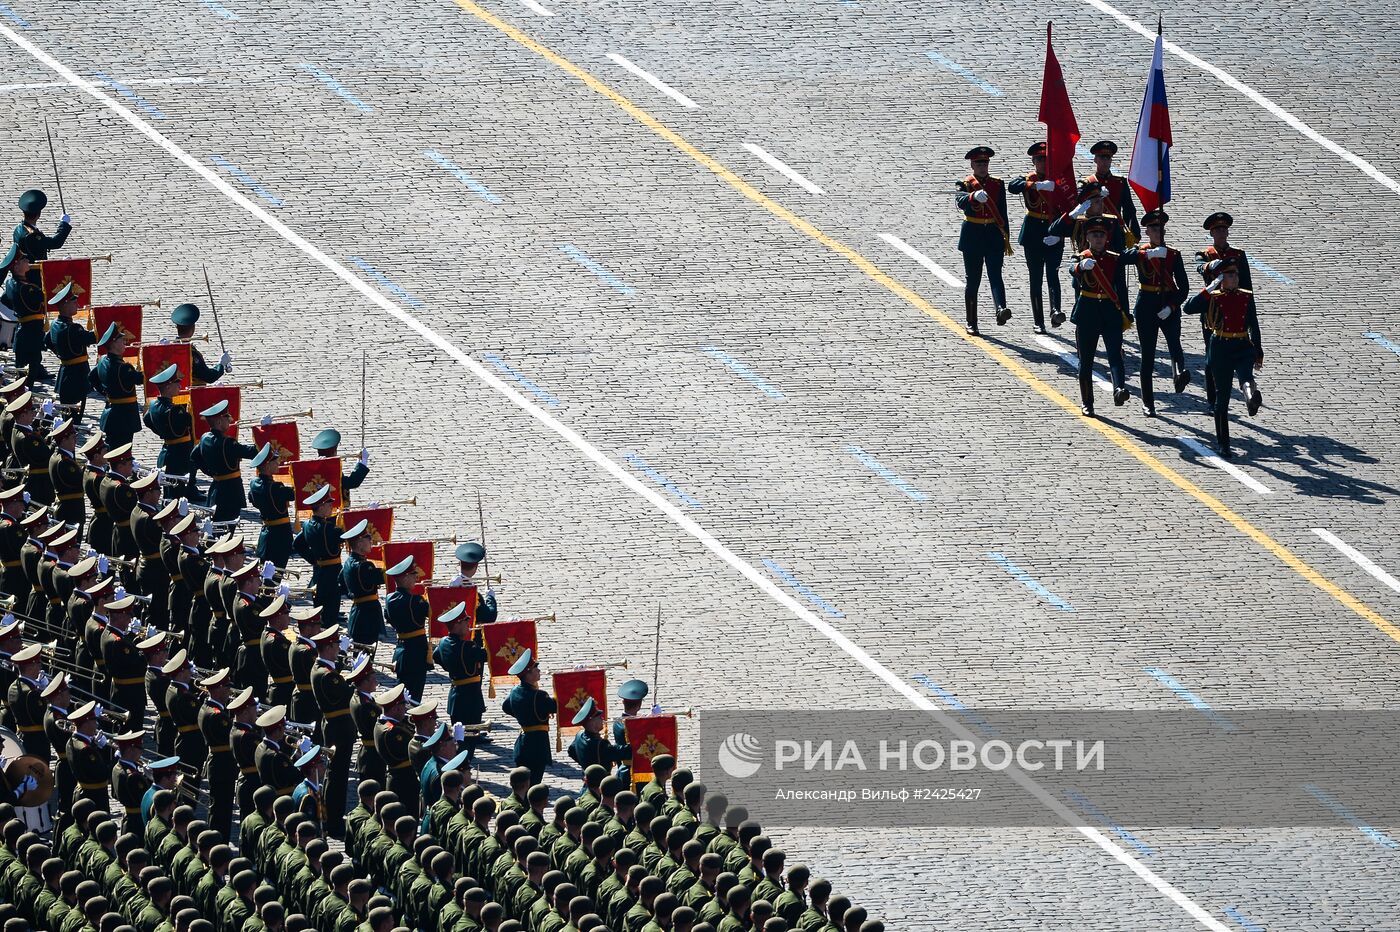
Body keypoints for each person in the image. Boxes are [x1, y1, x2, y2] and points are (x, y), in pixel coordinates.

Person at [1182, 259, 1263, 458]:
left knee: (1246, 376)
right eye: (1228, 274)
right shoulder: (1213, 297)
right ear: (1221, 279)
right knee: (1222, 398)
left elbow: (1253, 323)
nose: (1234, 278)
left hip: (1242, 346)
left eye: (1235, 274)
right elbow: (1188, 308)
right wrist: (1208, 289)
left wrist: (1258, 350)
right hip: (1220, 347)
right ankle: (1223, 443)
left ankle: (1251, 398)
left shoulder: (1246, 296)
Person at [1121, 208, 1191, 416]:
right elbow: (1122, 258)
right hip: (1147, 306)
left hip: (1168, 303)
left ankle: (1179, 373)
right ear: (1147, 231)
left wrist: (1171, 307)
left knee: (1174, 344)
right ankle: (1148, 401)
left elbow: (1184, 287)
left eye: (1160, 227)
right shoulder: (1141, 253)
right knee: (1148, 354)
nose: (1157, 231)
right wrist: (1147, 253)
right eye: (1153, 228)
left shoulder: (1173, 255)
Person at [1068, 217, 1132, 416]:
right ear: (1087, 237)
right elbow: (1073, 271)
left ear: (1107, 238)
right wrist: (1080, 267)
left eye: (1101, 235)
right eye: (1094, 234)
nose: (1098, 238)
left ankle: (1119, 388)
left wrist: (1125, 313)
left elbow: (1121, 287)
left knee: (1115, 354)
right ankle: (1087, 401)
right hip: (1087, 313)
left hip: (1110, 312)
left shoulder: (1114, 258)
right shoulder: (1080, 257)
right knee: (1086, 361)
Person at [1193, 211, 1254, 408]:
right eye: (1217, 230)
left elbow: (1247, 285)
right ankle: (1213, 400)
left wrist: (1249, 313)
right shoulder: (1204, 254)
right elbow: (1200, 267)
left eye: (1224, 229)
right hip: (1213, 313)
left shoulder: (1238, 254)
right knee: (1211, 358)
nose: (1221, 233)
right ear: (1211, 234)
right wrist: (1210, 265)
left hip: (1236, 309)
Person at [1007, 142, 1065, 333]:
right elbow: (1013, 186)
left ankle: (1055, 311)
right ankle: (1038, 320)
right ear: (1033, 161)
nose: (1043, 162)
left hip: (1053, 231)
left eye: (1046, 159)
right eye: (1039, 159)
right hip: (1033, 233)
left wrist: (1060, 233)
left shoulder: (1059, 181)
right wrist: (1037, 185)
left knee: (1053, 274)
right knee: (1036, 278)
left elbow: (1069, 205)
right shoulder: (1029, 179)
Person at [954, 146, 1012, 334]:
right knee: (974, 280)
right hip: (973, 234)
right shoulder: (964, 183)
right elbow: (960, 202)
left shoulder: (997, 183)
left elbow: (1003, 211)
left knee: (996, 275)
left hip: (993, 234)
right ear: (972, 164)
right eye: (979, 163)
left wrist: (1006, 237)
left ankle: (1000, 309)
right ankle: (971, 321)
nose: (982, 166)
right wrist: (972, 196)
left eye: (985, 162)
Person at [309, 626, 354, 838]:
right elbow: (345, 695)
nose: (338, 649)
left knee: (334, 776)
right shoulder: (327, 675)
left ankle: (330, 817)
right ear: (328, 647)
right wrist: (357, 676)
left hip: (333, 724)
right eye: (336, 646)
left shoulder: (321, 668)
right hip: (338, 727)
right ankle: (333, 822)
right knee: (338, 778)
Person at [191, 400, 257, 522]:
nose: (230, 420)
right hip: (231, 491)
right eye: (227, 418)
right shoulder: (227, 443)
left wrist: (210, 472)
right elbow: (252, 452)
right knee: (226, 529)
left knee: (217, 526)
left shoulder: (205, 438)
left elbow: (194, 457)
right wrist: (264, 433)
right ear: (219, 421)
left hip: (216, 488)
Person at [501, 648, 557, 786]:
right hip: (537, 746)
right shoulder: (539, 696)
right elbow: (557, 706)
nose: (538, 671)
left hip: (523, 743)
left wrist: (522, 715)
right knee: (533, 784)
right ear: (528, 674)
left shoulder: (515, 692)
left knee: (523, 785)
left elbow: (506, 706)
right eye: (535, 669)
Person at [432, 601, 487, 733]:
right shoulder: (467, 647)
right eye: (465, 621)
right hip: (470, 699)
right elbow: (488, 654)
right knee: (469, 741)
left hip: (455, 698)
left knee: (459, 739)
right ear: (457, 625)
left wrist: (450, 666)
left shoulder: (444, 642)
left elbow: (436, 655)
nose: (469, 624)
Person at [143, 364, 195, 500]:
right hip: (178, 455)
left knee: (169, 494)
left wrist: (162, 431)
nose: (179, 386)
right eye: (176, 383)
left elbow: (147, 419)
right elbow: (190, 421)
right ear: (167, 387)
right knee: (176, 496)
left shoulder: (153, 405)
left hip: (167, 451)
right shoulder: (174, 410)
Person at [291, 484, 341, 624]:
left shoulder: (307, 524)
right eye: (328, 504)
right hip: (332, 574)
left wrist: (313, 559)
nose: (331, 507)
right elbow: (349, 535)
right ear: (321, 507)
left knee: (320, 610)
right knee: (330, 614)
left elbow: (297, 544)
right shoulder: (327, 528)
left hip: (319, 572)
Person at [196, 668, 237, 838]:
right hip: (222, 766)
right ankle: (219, 844)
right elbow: (233, 733)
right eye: (226, 687)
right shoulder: (217, 715)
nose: (229, 691)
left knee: (218, 809)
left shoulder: (206, 707)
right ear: (218, 689)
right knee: (222, 811)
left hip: (217, 763)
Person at [43, 282, 96, 411]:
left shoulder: (56, 324)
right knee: (73, 419)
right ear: (65, 304)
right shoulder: (72, 329)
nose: (77, 305)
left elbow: (47, 340)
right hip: (76, 377)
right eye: (74, 302)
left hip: (65, 372)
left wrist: (61, 352)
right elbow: (95, 338)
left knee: (68, 417)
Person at [385, 555, 431, 701]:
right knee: (413, 695)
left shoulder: (390, 599)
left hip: (402, 651)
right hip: (416, 652)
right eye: (413, 575)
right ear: (404, 578)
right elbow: (434, 611)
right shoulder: (414, 601)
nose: (416, 577)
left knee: (404, 692)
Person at [92, 323, 143, 447]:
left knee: (112, 447)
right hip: (124, 417)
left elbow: (92, 377)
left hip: (111, 413)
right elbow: (141, 379)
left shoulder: (103, 360)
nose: (125, 341)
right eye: (121, 339)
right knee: (121, 451)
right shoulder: (123, 368)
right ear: (113, 344)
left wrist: (105, 392)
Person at [2, 245, 48, 382]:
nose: (27, 260)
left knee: (24, 376)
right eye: (23, 259)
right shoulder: (25, 289)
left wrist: (19, 310)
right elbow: (50, 298)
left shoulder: (11, 283)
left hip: (24, 334)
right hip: (31, 337)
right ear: (16, 267)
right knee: (27, 378)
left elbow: (5, 300)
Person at [1082, 141, 1141, 247]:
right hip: (1093, 231)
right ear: (1095, 160)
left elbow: (1128, 208)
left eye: (1107, 158)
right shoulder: (1087, 183)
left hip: (1115, 231)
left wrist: (1134, 233)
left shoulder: (1120, 182)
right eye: (1101, 158)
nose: (1105, 161)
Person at [373, 684, 419, 817]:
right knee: (408, 819)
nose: (406, 709)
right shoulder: (393, 731)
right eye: (403, 706)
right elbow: (417, 748)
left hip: (397, 778)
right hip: (404, 782)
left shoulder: (381, 723)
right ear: (396, 708)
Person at [248, 442, 295, 569]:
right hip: (279, 537)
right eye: (275, 461)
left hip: (266, 534)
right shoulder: (275, 488)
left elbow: (251, 498)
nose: (278, 463)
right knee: (275, 575)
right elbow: (296, 494)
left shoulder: (254, 484)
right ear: (267, 465)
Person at [341, 519, 384, 648]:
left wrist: (353, 592)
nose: (371, 541)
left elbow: (341, 581)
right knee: (365, 657)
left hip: (358, 611)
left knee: (360, 654)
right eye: (368, 538)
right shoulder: (364, 566)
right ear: (360, 543)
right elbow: (386, 577)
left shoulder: (348, 562)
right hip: (367, 615)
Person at [168, 304, 231, 386]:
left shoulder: (169, 348)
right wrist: (221, 364)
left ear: (177, 327)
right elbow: (208, 376)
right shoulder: (191, 354)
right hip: (192, 394)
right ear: (193, 328)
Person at [567, 697, 630, 774]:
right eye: (599, 717)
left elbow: (571, 751)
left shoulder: (579, 735)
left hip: (589, 781)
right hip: (600, 782)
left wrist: (585, 766)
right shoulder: (600, 745)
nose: (602, 719)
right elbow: (625, 752)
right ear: (592, 721)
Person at [309, 428, 369, 503]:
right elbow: (352, 482)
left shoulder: (312, 466)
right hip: (333, 507)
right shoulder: (332, 469)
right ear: (335, 451)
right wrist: (363, 462)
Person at [14, 189, 72, 261]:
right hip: (34, 270)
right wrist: (64, 224)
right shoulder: (33, 236)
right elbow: (55, 242)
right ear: (38, 215)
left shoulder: (18, 228)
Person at [612, 679, 651, 786]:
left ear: (623, 702)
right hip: (638, 771)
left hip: (622, 769)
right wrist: (653, 720)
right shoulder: (638, 725)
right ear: (639, 705)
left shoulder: (617, 722)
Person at [448, 541, 498, 623]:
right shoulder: (474, 595)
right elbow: (489, 617)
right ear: (476, 566)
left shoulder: (449, 588)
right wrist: (490, 597)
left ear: (459, 564)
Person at [291, 745, 327, 829]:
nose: (324, 767)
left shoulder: (303, 786)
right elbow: (310, 825)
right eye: (321, 764)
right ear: (314, 770)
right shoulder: (309, 797)